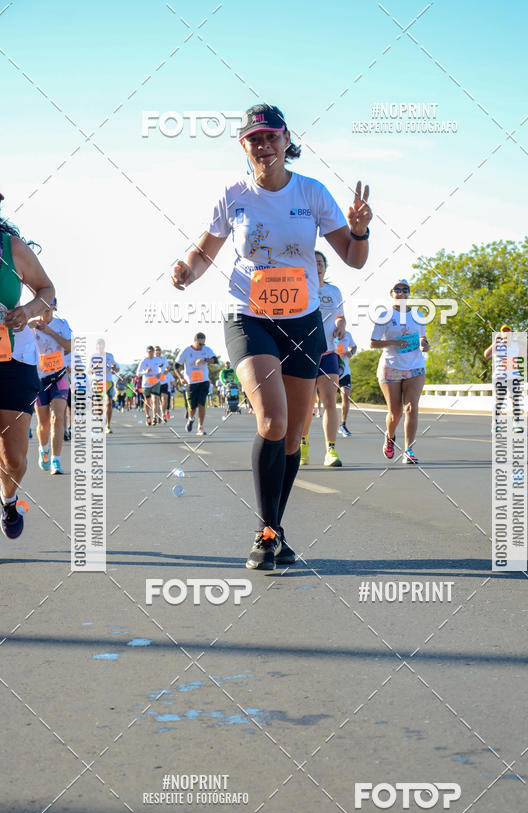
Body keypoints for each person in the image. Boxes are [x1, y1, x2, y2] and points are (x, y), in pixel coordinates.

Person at [172, 102, 371, 569]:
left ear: (287, 141)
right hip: (249, 317)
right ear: (244, 146)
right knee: (273, 420)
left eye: (271, 137)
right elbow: (204, 253)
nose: (263, 145)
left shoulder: (312, 193)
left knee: (293, 435)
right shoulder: (233, 195)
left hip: (302, 322)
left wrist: (360, 231)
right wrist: (186, 271)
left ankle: (276, 528)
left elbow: (354, 258)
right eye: (254, 139)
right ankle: (264, 534)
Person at [0, 196, 55, 538]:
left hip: (13, 360)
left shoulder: (12, 248)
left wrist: (28, 310)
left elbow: (47, 290)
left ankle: (8, 499)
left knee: (14, 458)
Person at [370, 279, 429, 464]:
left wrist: (425, 344)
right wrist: (395, 342)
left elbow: (422, 337)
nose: (402, 293)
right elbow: (373, 343)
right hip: (391, 366)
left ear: (409, 293)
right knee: (395, 413)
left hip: (415, 365)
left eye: (405, 290)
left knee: (411, 408)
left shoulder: (418, 315)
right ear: (391, 293)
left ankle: (409, 450)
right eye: (398, 290)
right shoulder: (384, 316)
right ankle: (390, 435)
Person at [300, 250, 346, 467]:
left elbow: (341, 317)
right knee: (306, 405)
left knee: (329, 402)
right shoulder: (299, 288)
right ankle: (303, 445)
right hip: (304, 354)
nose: (317, 266)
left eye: (320, 263)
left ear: (325, 268)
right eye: (313, 262)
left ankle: (331, 451)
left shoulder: (334, 291)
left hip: (328, 353)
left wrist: (341, 325)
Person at [31, 298, 72, 476]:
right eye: (43, 308)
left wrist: (49, 331)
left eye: (50, 308)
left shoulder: (62, 325)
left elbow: (69, 346)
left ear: (54, 307)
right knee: (43, 423)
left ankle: (56, 460)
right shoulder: (31, 326)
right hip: (40, 380)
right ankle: (43, 449)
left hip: (59, 377)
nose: (46, 311)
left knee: (58, 418)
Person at [174, 332, 218, 434]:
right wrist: (181, 378)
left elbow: (215, 360)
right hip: (191, 383)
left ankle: (200, 427)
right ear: (195, 341)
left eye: (203, 344)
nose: (202, 346)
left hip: (204, 381)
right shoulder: (186, 351)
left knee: (202, 404)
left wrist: (204, 359)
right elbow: (176, 366)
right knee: (192, 407)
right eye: (200, 344)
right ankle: (191, 419)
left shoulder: (206, 350)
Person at [89, 339, 119, 434]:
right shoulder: (93, 357)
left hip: (108, 382)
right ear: (96, 346)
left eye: (102, 345)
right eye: (98, 345)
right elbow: (89, 371)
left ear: (104, 346)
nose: (100, 347)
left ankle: (107, 425)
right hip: (97, 382)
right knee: (98, 405)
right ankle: (100, 423)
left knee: (108, 403)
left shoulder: (109, 356)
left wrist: (114, 368)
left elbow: (117, 369)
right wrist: (96, 366)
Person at [336, 326, 357, 436]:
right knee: (330, 401)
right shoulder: (329, 334)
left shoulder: (348, 335)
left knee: (345, 397)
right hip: (331, 372)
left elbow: (354, 347)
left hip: (345, 372)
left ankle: (343, 424)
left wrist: (351, 353)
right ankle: (332, 423)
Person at [136, 345, 162, 425]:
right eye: (149, 352)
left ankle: (154, 417)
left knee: (155, 400)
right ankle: (147, 416)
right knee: (147, 401)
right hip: (146, 384)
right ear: (147, 352)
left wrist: (160, 373)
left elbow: (162, 367)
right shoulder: (144, 361)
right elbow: (138, 373)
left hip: (155, 382)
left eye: (152, 352)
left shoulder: (157, 359)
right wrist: (145, 372)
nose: (151, 354)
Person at [154, 345, 171, 421]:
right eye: (156, 350)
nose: (157, 351)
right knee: (156, 401)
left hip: (164, 381)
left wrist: (167, 369)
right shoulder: (153, 359)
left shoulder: (164, 358)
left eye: (158, 350)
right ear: (154, 352)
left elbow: (167, 366)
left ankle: (163, 414)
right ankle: (157, 416)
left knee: (165, 399)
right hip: (155, 382)